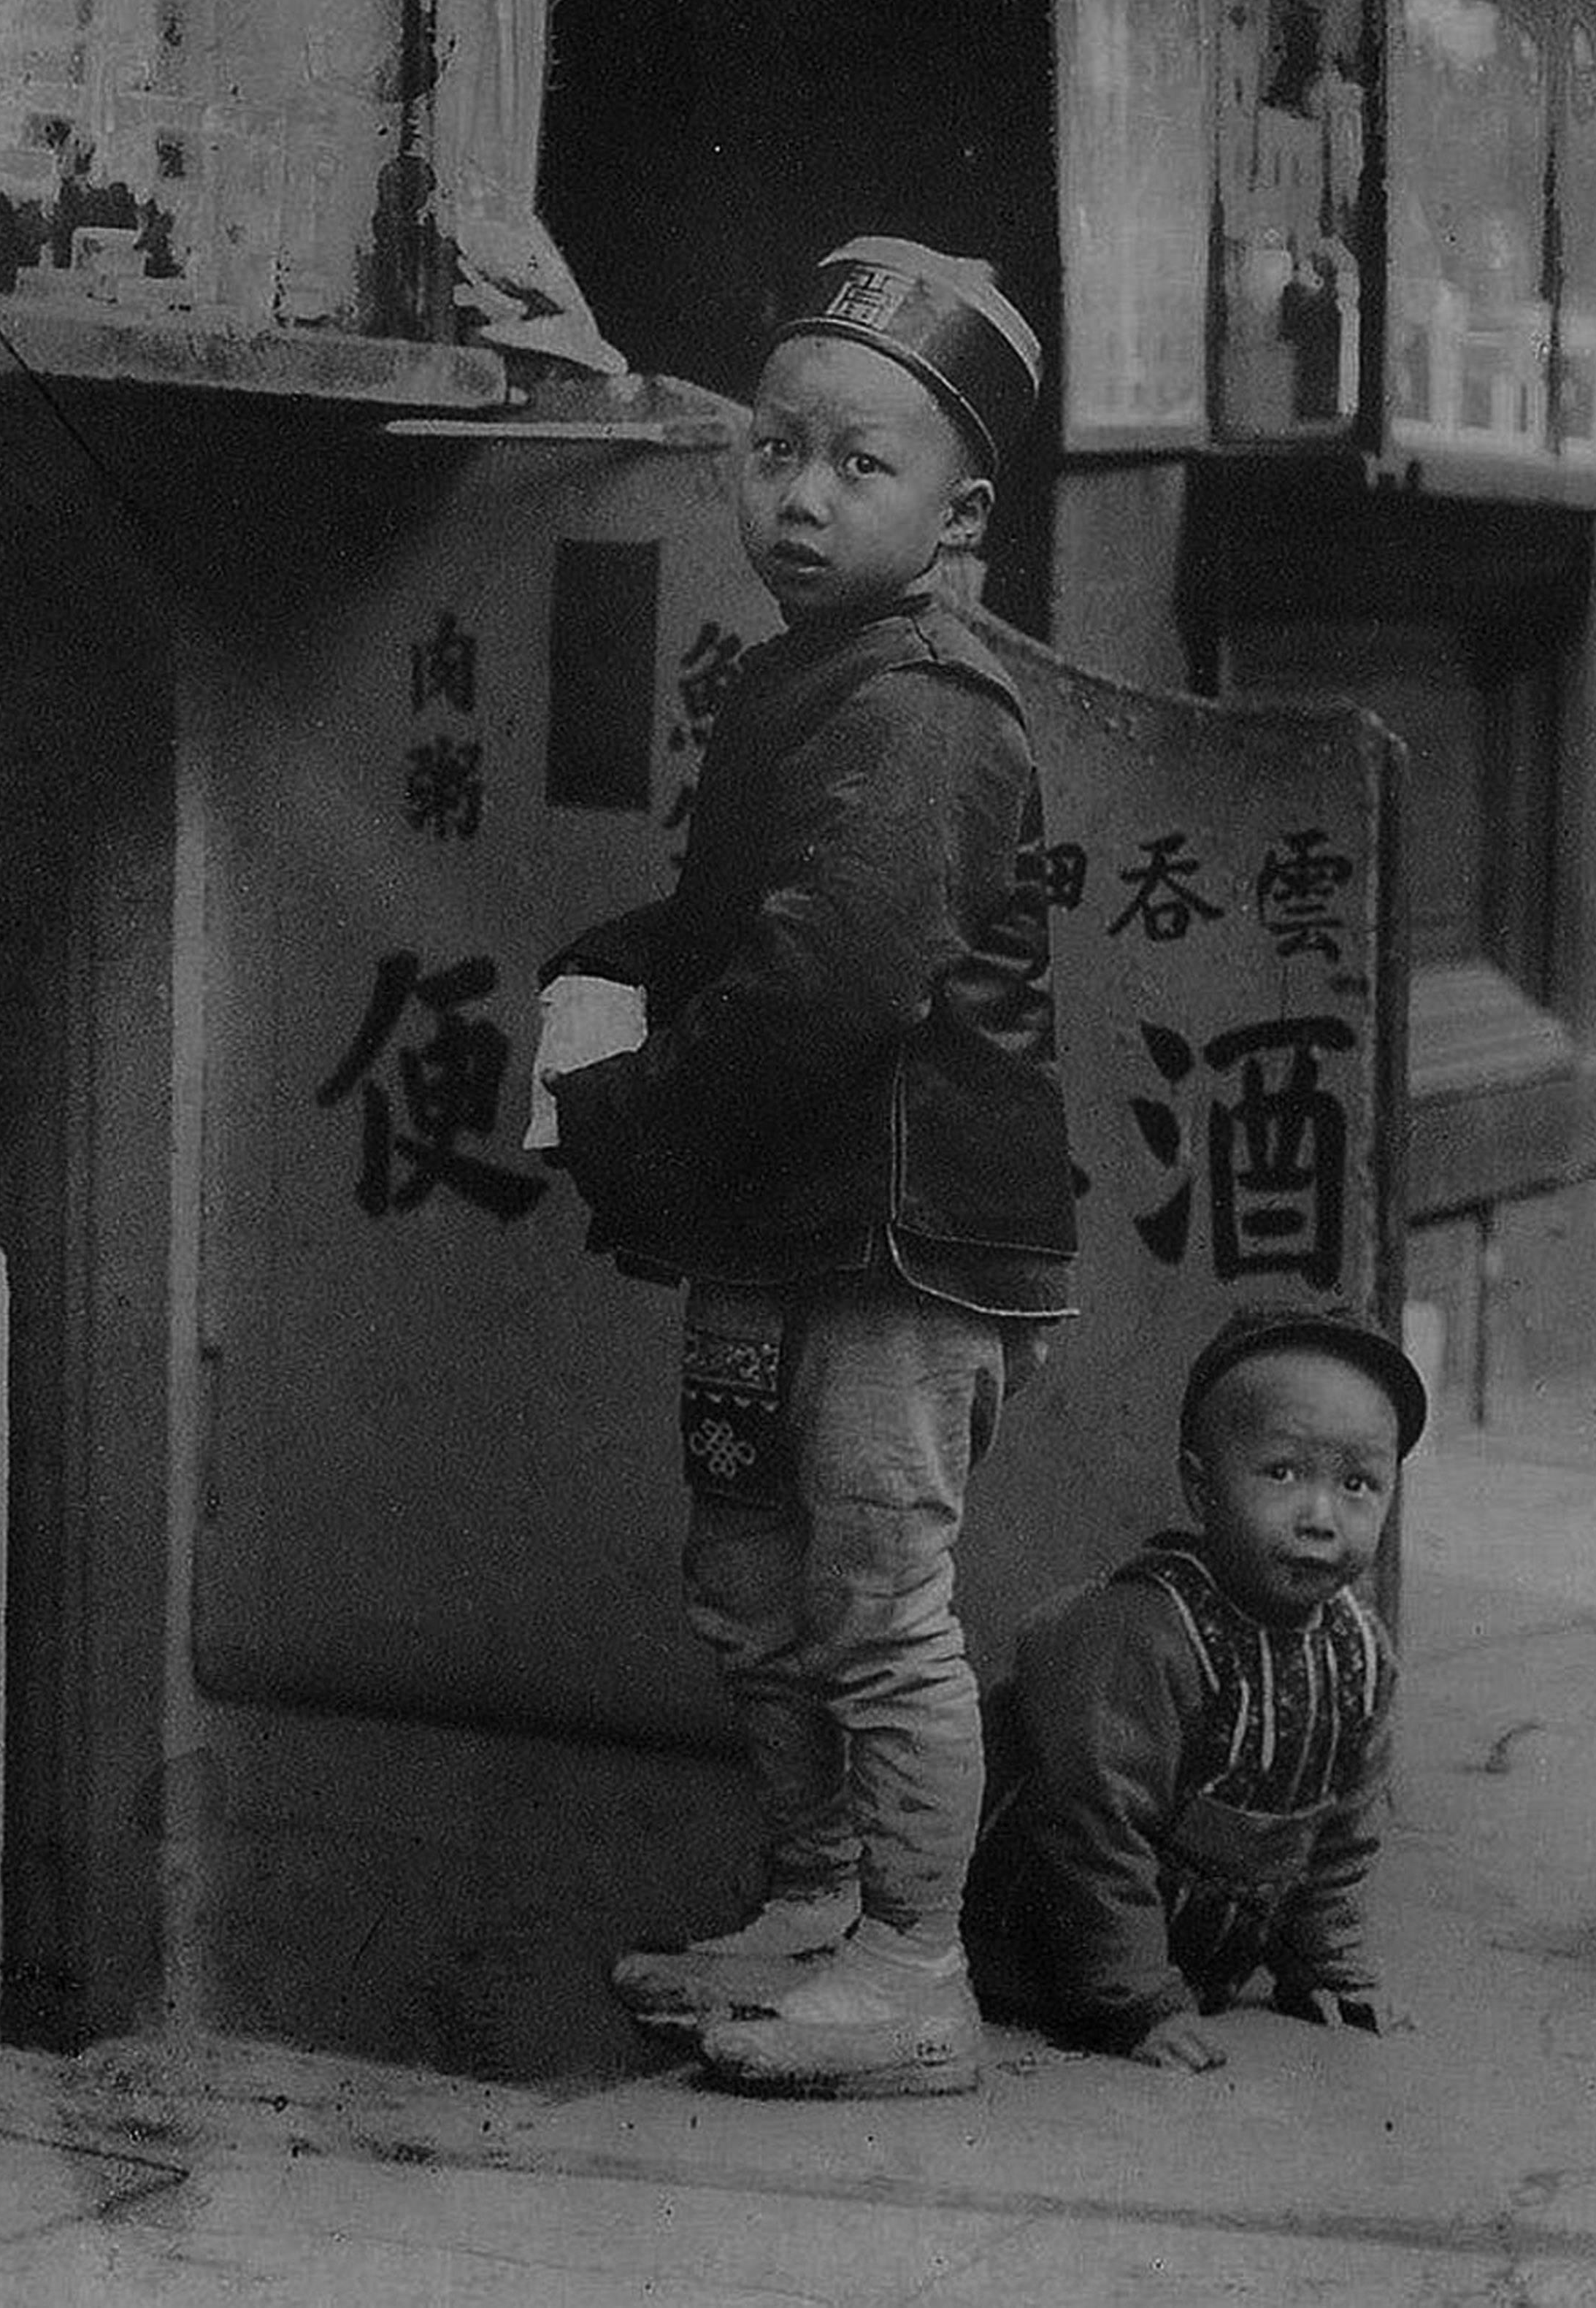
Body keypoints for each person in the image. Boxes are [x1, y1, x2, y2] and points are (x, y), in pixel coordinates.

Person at [539, 237, 1078, 2098]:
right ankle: (809, 1902)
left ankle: (913, 1970)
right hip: (783, 1212)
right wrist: (613, 966)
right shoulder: (813, 672)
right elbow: (736, 927)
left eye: (860, 464)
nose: (799, 495)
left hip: (902, 1237)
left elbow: (834, 973)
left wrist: (624, 1118)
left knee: (871, 1600)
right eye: (775, 449)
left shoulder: (925, 700)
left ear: (955, 511)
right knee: (749, 1576)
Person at [965, 1307, 1426, 2071]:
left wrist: (1327, 1967)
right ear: (1199, 1484)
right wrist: (1132, 2001)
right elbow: (1094, 1827)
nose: (1319, 1516)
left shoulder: (1359, 1652)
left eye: (1357, 1483)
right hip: (1035, 1956)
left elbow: (1341, 1835)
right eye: (1280, 1472)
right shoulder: (1146, 1631)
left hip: (1190, 1961)